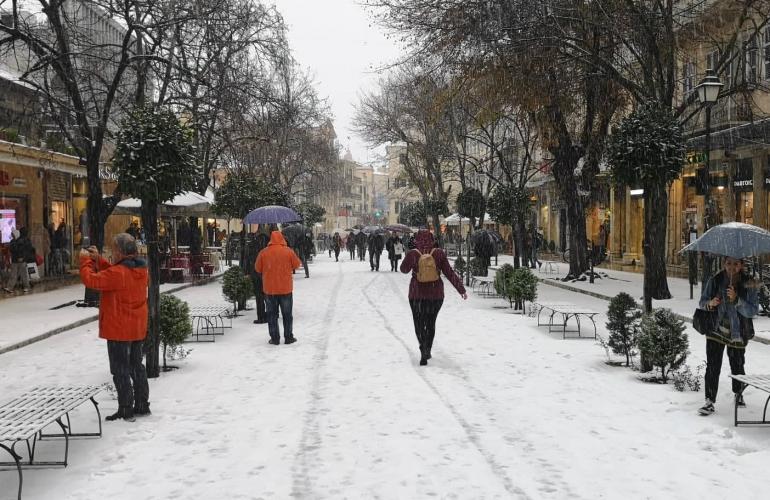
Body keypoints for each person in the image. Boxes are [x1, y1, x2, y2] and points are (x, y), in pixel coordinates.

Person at [79, 233, 150, 421]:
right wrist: (98, 259)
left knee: (120, 370)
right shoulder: (140, 269)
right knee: (137, 367)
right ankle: (142, 404)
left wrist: (86, 262)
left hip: (119, 329)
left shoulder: (118, 273)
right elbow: (115, 274)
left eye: (113, 249)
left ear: (119, 251)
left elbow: (92, 280)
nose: (111, 252)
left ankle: (125, 408)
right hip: (136, 327)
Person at [697, 257, 758, 416]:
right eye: (728, 263)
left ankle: (738, 393)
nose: (731, 267)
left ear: (741, 265)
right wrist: (711, 303)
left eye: (736, 264)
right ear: (724, 263)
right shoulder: (715, 280)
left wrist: (737, 300)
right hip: (715, 329)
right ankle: (709, 400)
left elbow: (753, 310)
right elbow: (702, 302)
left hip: (738, 332)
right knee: (713, 366)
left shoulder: (749, 283)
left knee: (737, 365)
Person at [400, 230, 467, 366]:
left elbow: (403, 269)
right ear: (432, 239)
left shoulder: (413, 253)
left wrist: (410, 257)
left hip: (416, 295)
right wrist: (461, 289)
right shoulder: (439, 253)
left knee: (419, 323)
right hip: (435, 295)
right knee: (430, 323)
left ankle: (422, 346)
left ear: (417, 239)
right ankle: (428, 349)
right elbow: (449, 272)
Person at [255, 231, 302, 345]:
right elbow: (297, 265)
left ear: (270, 240)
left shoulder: (263, 252)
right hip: (285, 288)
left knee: (272, 315)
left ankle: (275, 338)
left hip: (270, 289)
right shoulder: (288, 251)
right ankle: (288, 337)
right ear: (282, 239)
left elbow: (257, 268)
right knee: (287, 314)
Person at [4, 228, 33, 293]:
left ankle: (26, 287)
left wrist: (22, 257)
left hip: (20, 260)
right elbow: (14, 250)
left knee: (23, 274)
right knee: (14, 274)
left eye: (13, 234)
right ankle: (10, 287)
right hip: (16, 260)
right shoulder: (15, 241)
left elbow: (23, 250)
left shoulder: (21, 241)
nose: (12, 236)